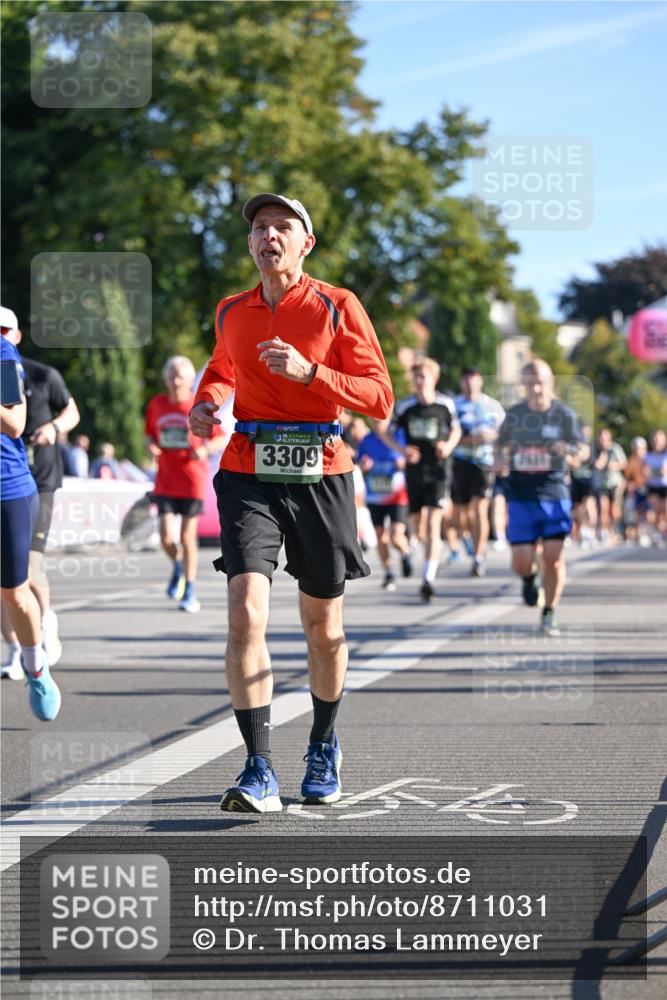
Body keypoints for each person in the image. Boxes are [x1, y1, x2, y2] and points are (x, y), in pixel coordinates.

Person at [188, 192, 393, 812]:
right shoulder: (231, 310)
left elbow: (379, 397)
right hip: (248, 468)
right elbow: (222, 368)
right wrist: (205, 403)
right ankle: (258, 767)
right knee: (247, 610)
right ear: (250, 243)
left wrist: (312, 375)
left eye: (283, 227)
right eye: (259, 228)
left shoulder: (338, 304)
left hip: (321, 472)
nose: (268, 236)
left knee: (322, 628)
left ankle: (324, 744)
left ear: (306, 244)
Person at [0, 309, 80, 676]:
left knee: (31, 569)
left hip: (39, 478)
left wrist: (52, 428)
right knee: (7, 581)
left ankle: (44, 621)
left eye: (5, 330)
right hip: (12, 477)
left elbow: (72, 413)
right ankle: (15, 649)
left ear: (16, 335)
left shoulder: (41, 374)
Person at [495, 359, 589, 636]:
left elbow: (582, 450)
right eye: (529, 383)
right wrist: (500, 460)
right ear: (523, 386)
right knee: (521, 561)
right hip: (521, 494)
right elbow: (499, 446)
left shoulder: (563, 415)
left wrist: (570, 453)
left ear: (550, 383)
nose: (535, 388)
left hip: (554, 493)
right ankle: (528, 577)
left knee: (554, 558)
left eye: (540, 382)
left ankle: (549, 611)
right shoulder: (514, 415)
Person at [0, 311, 61, 718]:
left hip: (8, 489)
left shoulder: (4, 355)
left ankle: (35, 665)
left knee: (15, 594)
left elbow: (15, 422)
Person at [145, 355, 225, 612]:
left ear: (191, 379)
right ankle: (179, 567)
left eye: (180, 375)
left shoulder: (198, 405)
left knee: (187, 537)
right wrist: (151, 447)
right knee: (166, 537)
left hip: (192, 480)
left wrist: (205, 450)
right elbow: (150, 434)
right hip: (166, 480)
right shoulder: (157, 404)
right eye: (171, 374)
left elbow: (220, 437)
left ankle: (190, 590)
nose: (175, 379)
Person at [381, 358, 460, 601]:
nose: (417, 381)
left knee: (433, 525)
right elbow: (384, 431)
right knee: (418, 526)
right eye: (415, 377)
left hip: (437, 469)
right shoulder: (406, 407)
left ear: (433, 378)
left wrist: (447, 445)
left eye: (422, 376)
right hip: (415, 471)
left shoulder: (445, 404)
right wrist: (402, 451)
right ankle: (419, 549)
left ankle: (428, 578)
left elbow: (456, 429)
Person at [451, 366, 505, 577]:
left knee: (479, 509)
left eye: (473, 379)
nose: (469, 383)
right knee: (460, 515)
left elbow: (503, 435)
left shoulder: (492, 406)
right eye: (465, 379)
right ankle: (466, 538)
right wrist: (470, 438)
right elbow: (447, 437)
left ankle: (479, 557)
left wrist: (501, 458)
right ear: (461, 382)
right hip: (459, 461)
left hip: (484, 462)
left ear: (480, 381)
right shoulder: (454, 406)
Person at [357, 419, 412, 591]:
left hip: (397, 494)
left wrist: (403, 463)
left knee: (396, 536)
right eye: (373, 419)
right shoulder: (367, 440)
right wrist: (365, 465)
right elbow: (360, 462)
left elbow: (409, 458)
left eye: (380, 418)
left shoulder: (398, 436)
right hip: (375, 495)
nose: (377, 421)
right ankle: (389, 573)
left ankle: (405, 553)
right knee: (381, 537)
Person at [593, 428, 626, 544]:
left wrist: (613, 465)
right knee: (603, 508)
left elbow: (623, 463)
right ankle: (605, 531)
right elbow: (595, 464)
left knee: (615, 509)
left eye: (605, 438)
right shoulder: (595, 450)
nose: (603, 441)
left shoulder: (615, 448)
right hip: (601, 484)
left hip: (614, 482)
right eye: (601, 438)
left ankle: (615, 529)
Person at [570, 424, 597, 548]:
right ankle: (584, 531)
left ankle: (591, 531)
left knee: (589, 505)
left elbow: (583, 457)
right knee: (578, 508)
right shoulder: (573, 445)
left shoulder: (591, 446)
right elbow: (572, 463)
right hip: (576, 480)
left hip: (588, 480)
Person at [644, 429, 667, 546]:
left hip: (665, 486)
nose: (657, 441)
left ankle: (661, 532)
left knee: (665, 511)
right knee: (657, 510)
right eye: (655, 439)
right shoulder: (647, 455)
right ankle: (658, 534)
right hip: (653, 486)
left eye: (660, 439)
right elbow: (643, 471)